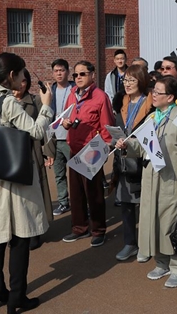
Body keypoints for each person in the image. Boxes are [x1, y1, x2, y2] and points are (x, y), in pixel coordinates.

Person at [0, 53, 53, 313]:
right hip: (15, 175)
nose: (23, 80)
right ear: (11, 76)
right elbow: (38, 132)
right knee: (20, 236)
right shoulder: (8, 102)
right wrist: (47, 106)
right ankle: (17, 296)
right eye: (21, 74)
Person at [116, 75, 177, 289]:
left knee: (174, 224)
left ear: (170, 97)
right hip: (152, 179)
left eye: (158, 92)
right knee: (155, 222)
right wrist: (127, 146)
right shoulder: (153, 117)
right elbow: (143, 147)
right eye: (154, 91)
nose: (153, 95)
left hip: (173, 181)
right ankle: (162, 262)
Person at [61, 61, 114, 247]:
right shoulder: (71, 94)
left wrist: (104, 150)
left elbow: (107, 126)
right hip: (74, 148)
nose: (78, 78)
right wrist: (65, 123)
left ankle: (99, 230)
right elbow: (65, 117)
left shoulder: (101, 97)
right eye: (75, 75)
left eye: (82, 74)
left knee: (94, 194)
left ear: (92, 75)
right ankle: (79, 228)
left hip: (92, 150)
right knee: (76, 193)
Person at [109, 65, 154, 261]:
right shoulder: (122, 103)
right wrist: (115, 139)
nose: (126, 84)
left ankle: (146, 245)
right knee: (126, 204)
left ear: (141, 81)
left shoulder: (151, 104)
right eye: (125, 80)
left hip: (143, 162)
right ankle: (130, 243)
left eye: (131, 80)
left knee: (146, 207)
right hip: (124, 162)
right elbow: (119, 128)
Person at [13, 69, 54, 251]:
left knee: (36, 192)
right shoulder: (7, 102)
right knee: (16, 195)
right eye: (17, 81)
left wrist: (49, 151)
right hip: (13, 153)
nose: (20, 86)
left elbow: (46, 128)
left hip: (32, 150)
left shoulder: (36, 101)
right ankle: (17, 230)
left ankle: (36, 231)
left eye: (24, 82)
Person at [46, 59, 74, 216]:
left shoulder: (74, 89)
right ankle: (63, 202)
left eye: (62, 70)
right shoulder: (50, 91)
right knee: (59, 174)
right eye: (56, 71)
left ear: (67, 72)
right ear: (52, 73)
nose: (59, 73)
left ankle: (81, 203)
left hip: (71, 138)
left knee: (78, 173)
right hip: (56, 139)